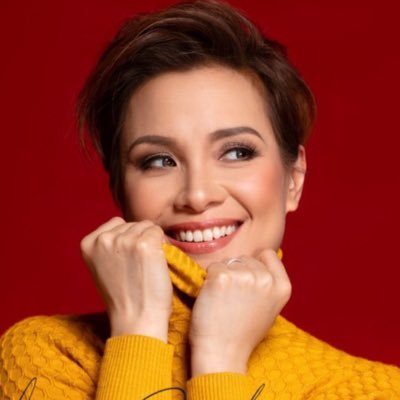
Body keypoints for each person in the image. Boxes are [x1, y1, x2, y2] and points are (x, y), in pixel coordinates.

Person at [1, 0, 399, 399]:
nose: (197, 195)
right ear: (119, 187)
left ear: (293, 180)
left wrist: (219, 358)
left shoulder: (367, 390)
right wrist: (138, 330)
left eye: (237, 152)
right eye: (159, 160)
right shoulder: (45, 354)